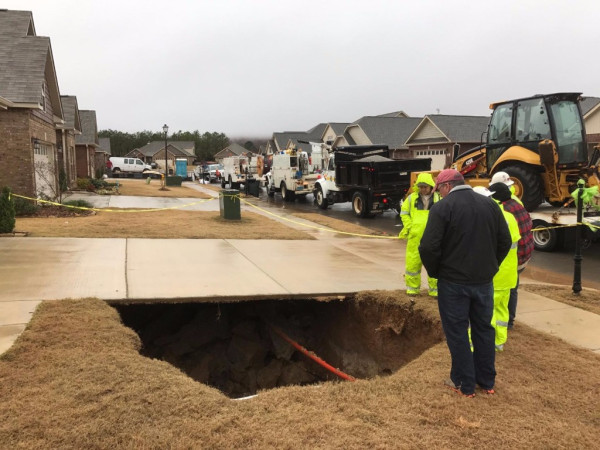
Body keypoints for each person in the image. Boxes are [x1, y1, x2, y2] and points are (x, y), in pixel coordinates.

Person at [419, 169, 512, 397]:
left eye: (439, 190)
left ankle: (463, 383)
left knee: (458, 332)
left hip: (453, 283)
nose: (439, 194)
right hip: (483, 282)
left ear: (447, 186)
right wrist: (491, 267)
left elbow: (428, 247)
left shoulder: (442, 208)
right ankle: (487, 381)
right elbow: (505, 240)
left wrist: (436, 272)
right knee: (484, 330)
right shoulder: (490, 205)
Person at [476, 185, 521, 352]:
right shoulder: (509, 217)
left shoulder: (487, 219)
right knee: (502, 309)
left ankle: (483, 344)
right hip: (508, 275)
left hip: (493, 275)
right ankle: (499, 342)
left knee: (487, 312)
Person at [489, 181, 533, 330]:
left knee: (509, 290)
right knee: (512, 287)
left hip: (515, 257)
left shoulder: (505, 212)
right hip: (525, 253)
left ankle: (508, 322)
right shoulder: (516, 204)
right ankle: (508, 321)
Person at [399, 173, 441, 297]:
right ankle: (412, 289)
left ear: (430, 186)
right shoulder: (412, 198)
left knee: (434, 264)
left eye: (425, 187)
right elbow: (404, 213)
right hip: (415, 237)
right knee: (413, 263)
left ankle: (435, 291)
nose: (423, 189)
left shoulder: (438, 198)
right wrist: (410, 226)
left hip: (433, 237)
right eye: (421, 187)